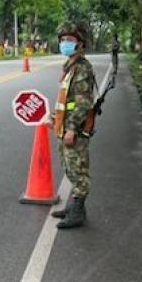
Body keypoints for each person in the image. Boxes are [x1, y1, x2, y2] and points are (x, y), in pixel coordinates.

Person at [51, 22, 98, 229]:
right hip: (65, 125)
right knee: (68, 167)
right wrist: (55, 119)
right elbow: (66, 100)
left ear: (81, 44)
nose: (64, 43)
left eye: (69, 40)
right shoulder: (70, 66)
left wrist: (71, 128)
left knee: (78, 169)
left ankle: (78, 211)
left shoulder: (82, 68)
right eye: (62, 40)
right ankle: (75, 206)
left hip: (76, 128)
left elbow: (83, 102)